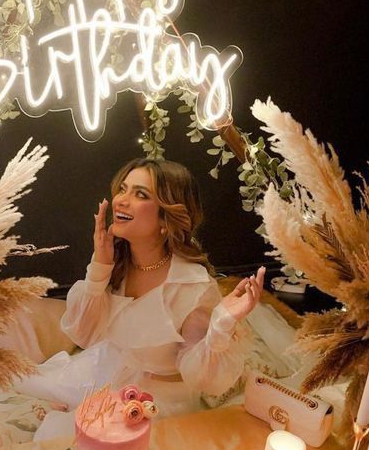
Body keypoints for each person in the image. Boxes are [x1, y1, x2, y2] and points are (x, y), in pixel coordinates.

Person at [14, 157, 265, 419]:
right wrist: (99, 265)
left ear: (165, 218)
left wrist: (221, 325)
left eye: (140, 194)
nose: (121, 200)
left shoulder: (191, 286)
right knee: (17, 382)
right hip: (105, 368)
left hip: (158, 400)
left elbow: (202, 378)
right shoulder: (116, 261)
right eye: (122, 189)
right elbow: (83, 333)